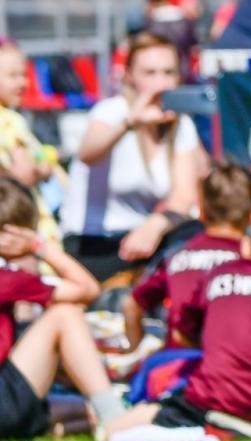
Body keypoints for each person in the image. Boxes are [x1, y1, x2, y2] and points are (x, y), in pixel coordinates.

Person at [101, 202, 251, 441]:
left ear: (247, 245)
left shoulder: (220, 274)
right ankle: (248, 422)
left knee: (116, 433)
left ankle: (203, 434)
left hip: (215, 396)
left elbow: (184, 332)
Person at [60, 32, 202, 280]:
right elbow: (88, 154)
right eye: (150, 73)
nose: (161, 83)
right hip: (94, 244)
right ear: (129, 76)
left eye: (168, 73)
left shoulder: (180, 124)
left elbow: (184, 196)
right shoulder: (112, 112)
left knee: (198, 234)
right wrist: (130, 124)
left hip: (143, 240)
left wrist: (156, 225)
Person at [0, 177, 128, 440]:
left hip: (7, 395)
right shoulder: (7, 279)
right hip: (5, 402)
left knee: (79, 409)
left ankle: (82, 419)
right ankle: (117, 420)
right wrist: (39, 246)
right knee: (64, 315)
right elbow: (87, 289)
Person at [122, 159, 251, 351]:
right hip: (234, 367)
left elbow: (131, 305)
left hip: (180, 367)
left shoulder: (177, 258)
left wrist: (135, 348)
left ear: (201, 210)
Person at [0, 41, 64, 244]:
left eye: (24, 75)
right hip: (25, 230)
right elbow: (24, 175)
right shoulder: (10, 120)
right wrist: (43, 168)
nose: (23, 83)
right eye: (13, 76)